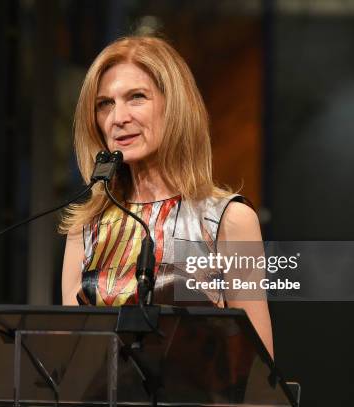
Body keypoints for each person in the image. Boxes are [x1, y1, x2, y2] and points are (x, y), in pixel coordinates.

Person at [60, 35, 273, 358]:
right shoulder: (86, 226)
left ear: (174, 106)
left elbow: (258, 371)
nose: (118, 118)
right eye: (105, 103)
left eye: (136, 97)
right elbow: (71, 359)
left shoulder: (227, 220)